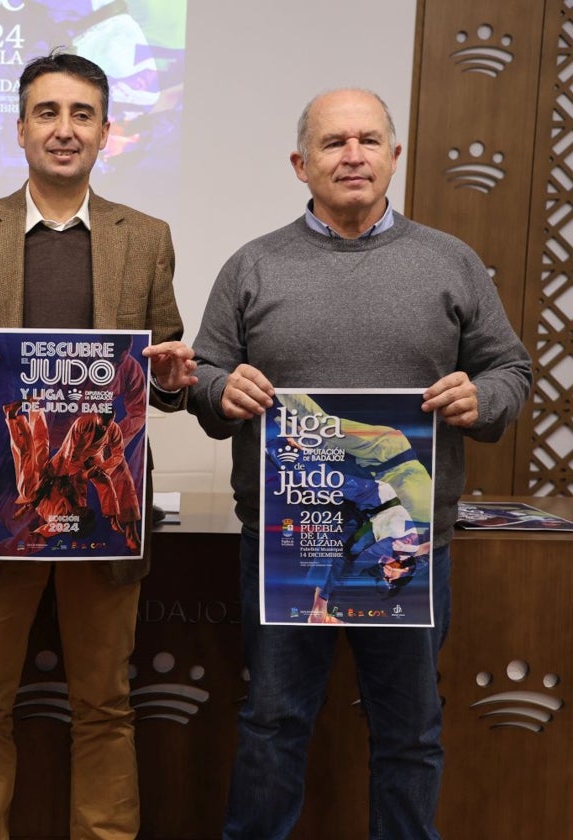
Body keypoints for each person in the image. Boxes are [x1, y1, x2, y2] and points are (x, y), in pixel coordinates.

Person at [187, 88, 532, 838]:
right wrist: (222, 388)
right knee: (273, 722)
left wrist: (485, 397)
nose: (353, 156)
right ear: (300, 164)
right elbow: (203, 380)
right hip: (286, 545)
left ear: (394, 156)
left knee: (410, 732)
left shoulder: (452, 262)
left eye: (369, 141)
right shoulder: (252, 266)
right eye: (335, 142)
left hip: (409, 544)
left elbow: (512, 371)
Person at [0, 50, 197, 840]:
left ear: (106, 132)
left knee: (105, 705)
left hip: (105, 508)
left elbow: (164, 366)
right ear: (22, 128)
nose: (64, 130)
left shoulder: (147, 238)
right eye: (47, 113)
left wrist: (173, 376)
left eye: (81, 115)